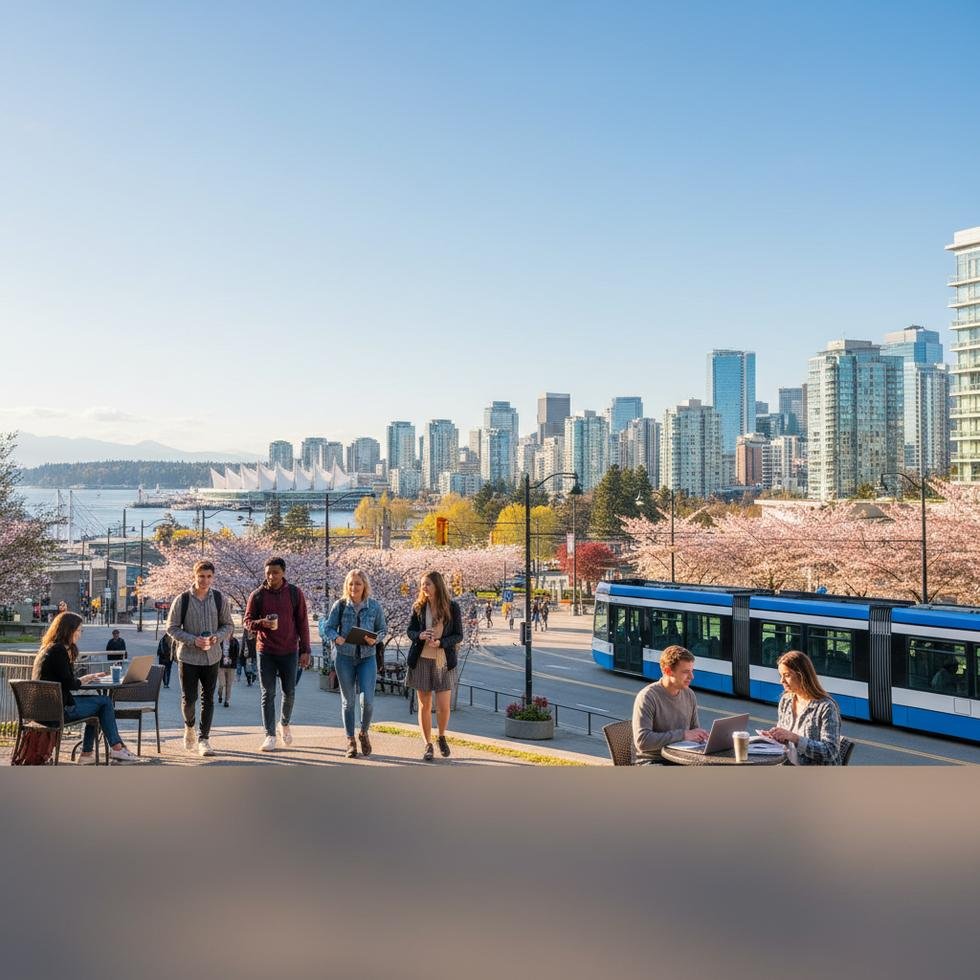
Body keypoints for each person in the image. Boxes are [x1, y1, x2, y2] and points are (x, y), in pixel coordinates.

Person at [32, 612, 137, 764]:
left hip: (42, 710)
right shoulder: (58, 650)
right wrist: (82, 680)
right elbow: (70, 684)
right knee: (105, 702)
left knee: (100, 705)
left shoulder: (46, 648)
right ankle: (115, 749)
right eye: (79, 630)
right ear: (69, 630)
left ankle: (90, 753)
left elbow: (65, 681)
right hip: (58, 711)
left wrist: (84, 679)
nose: (80, 634)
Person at [165, 559, 234, 757]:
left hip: (212, 657)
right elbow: (171, 627)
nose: (205, 580)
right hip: (188, 657)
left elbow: (228, 625)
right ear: (194, 576)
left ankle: (204, 739)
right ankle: (189, 727)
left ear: (213, 577)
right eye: (201, 576)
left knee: (209, 699)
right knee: (189, 698)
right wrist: (193, 640)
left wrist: (216, 638)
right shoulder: (183, 599)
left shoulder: (220, 599)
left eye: (209, 576)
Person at [244, 557, 311, 752]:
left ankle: (284, 722)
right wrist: (261, 623)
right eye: (268, 573)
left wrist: (305, 650)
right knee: (268, 693)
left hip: (290, 650)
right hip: (265, 651)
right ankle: (270, 735)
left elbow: (303, 623)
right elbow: (247, 621)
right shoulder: (257, 595)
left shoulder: (294, 594)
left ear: (283, 573)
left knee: (289, 692)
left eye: (275, 572)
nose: (271, 576)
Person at [321, 569, 387, 759]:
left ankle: (363, 732)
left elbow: (382, 629)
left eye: (358, 583)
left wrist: (375, 639)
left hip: (367, 658)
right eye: (351, 583)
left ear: (364, 585)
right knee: (348, 702)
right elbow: (328, 627)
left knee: (367, 701)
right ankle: (350, 740)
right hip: (345, 657)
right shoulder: (340, 605)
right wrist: (336, 637)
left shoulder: (374, 606)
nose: (354, 587)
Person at [405, 571, 463, 761]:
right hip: (421, 659)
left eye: (427, 584)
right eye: (422, 584)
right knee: (424, 704)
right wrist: (419, 635)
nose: (424, 587)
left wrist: (442, 643)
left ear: (437, 585)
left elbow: (458, 635)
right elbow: (410, 631)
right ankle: (427, 744)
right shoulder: (419, 607)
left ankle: (441, 736)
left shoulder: (452, 607)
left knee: (443, 706)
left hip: (442, 660)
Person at [761, 650, 842, 765]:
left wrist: (794, 737)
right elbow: (784, 737)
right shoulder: (786, 700)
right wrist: (775, 736)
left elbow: (830, 751)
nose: (781, 681)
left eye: (787, 675)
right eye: (781, 675)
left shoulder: (826, 707)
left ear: (802, 675)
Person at [632, 645, 709, 764]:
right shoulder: (647, 697)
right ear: (668, 671)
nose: (691, 677)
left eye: (691, 671)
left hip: (682, 757)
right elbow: (643, 741)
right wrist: (683, 735)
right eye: (685, 672)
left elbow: (693, 731)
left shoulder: (689, 694)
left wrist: (703, 737)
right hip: (653, 761)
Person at [217, 631, 240, 708]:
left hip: (231, 666)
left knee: (229, 684)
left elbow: (237, 654)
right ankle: (220, 694)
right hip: (221, 666)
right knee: (222, 684)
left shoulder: (235, 641)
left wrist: (232, 659)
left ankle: (226, 700)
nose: (227, 634)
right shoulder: (219, 641)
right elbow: (215, 652)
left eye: (229, 632)